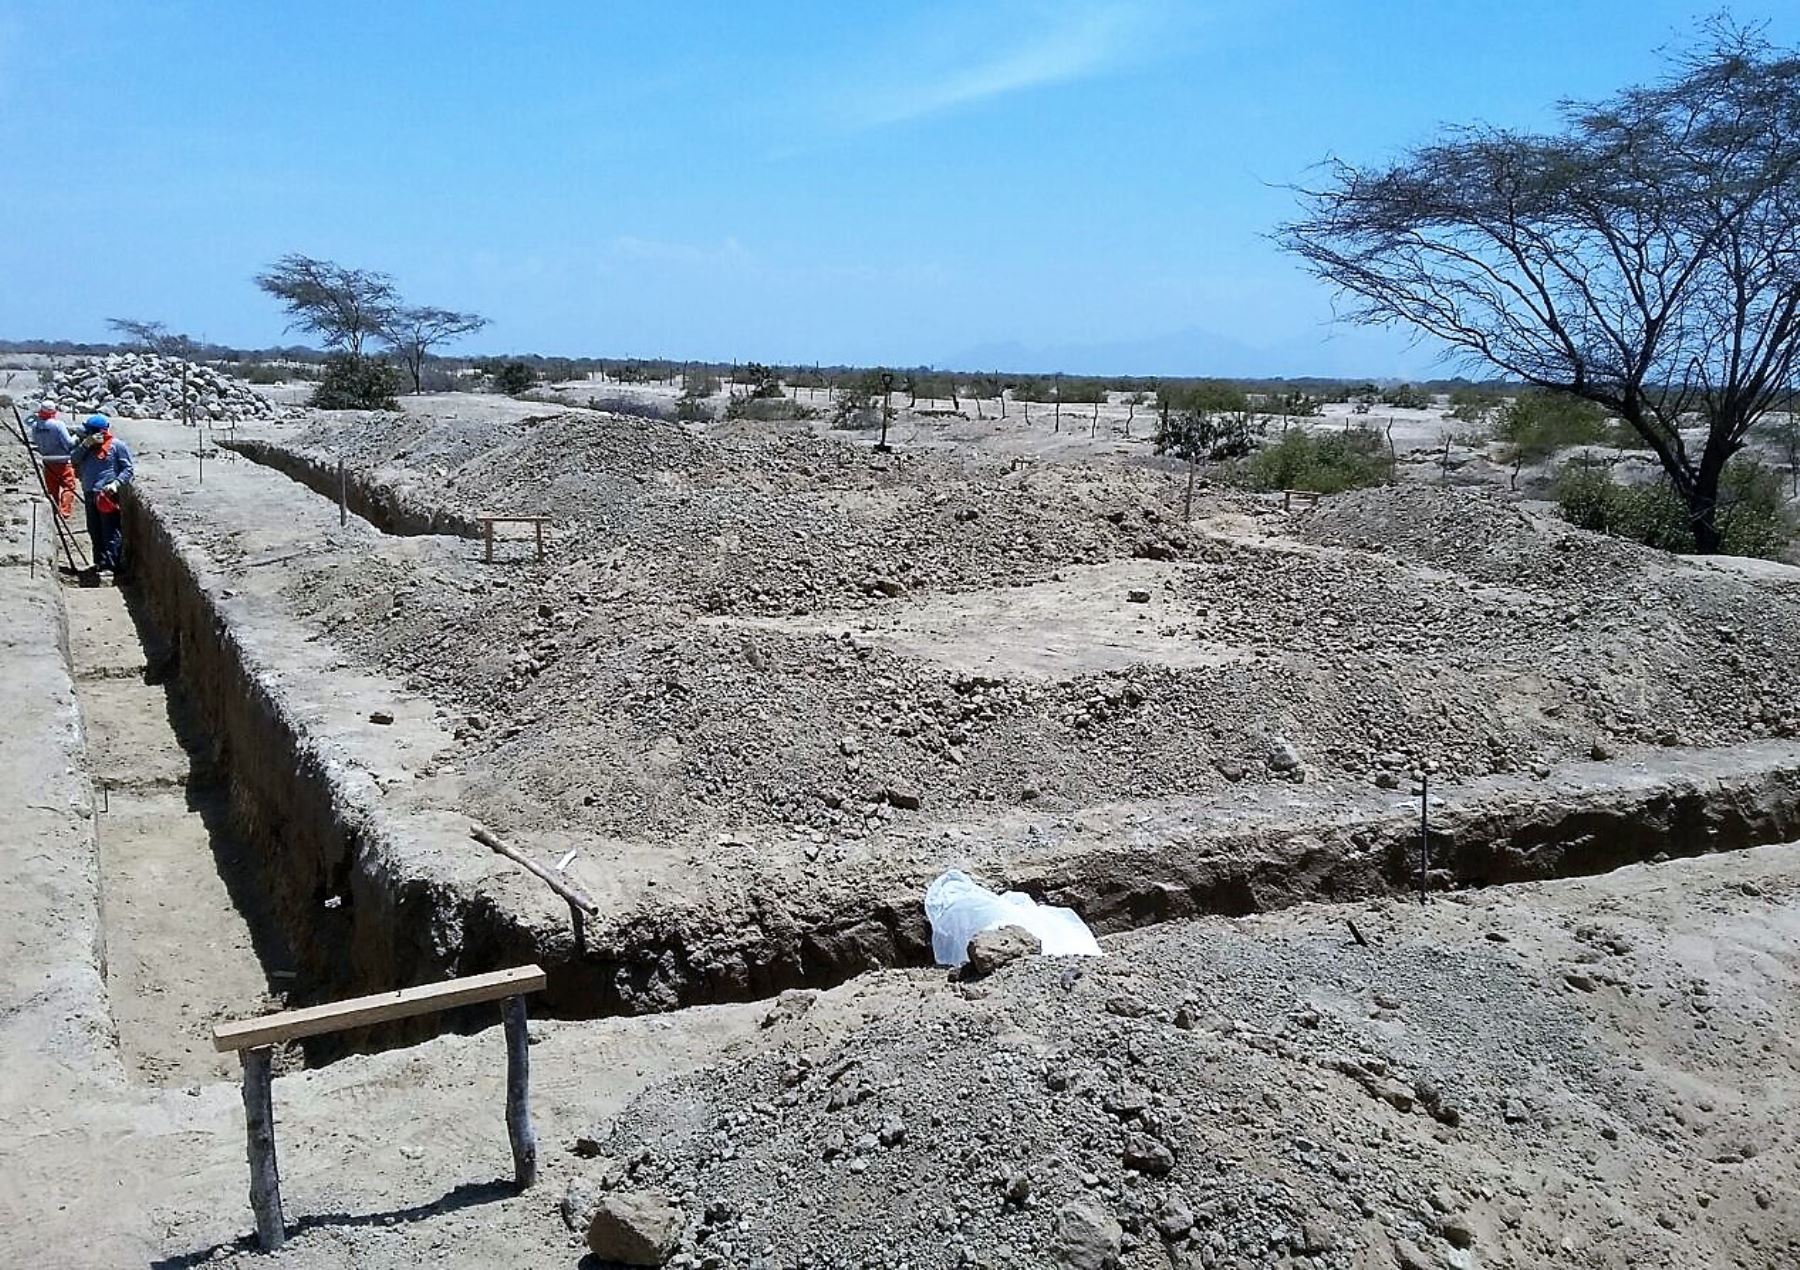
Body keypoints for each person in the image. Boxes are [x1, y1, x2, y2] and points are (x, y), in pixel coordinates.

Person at [71, 414, 134, 576]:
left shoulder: (116, 446)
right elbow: (74, 459)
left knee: (109, 529)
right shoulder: (85, 447)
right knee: (94, 529)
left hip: (106, 495)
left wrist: (116, 484)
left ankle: (111, 565)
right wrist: (85, 445)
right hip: (89, 492)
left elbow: (128, 469)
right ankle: (99, 562)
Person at [29, 401, 78, 519]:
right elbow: (69, 443)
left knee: (52, 489)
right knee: (68, 487)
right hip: (63, 461)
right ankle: (65, 512)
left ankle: (53, 511)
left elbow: (35, 441)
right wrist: (76, 436)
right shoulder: (58, 424)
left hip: (47, 461)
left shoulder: (35, 426)